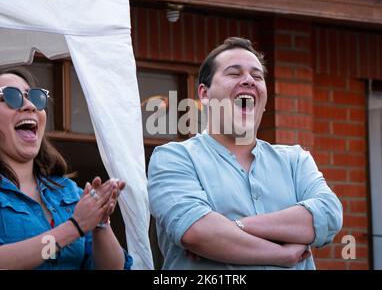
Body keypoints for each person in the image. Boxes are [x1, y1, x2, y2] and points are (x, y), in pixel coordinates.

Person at [148, 37, 343, 269]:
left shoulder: (295, 160)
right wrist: (283, 254)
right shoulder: (173, 158)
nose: (249, 80)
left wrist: (234, 227)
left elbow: (329, 214)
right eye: (234, 73)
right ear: (204, 93)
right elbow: (197, 232)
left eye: (257, 76)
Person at [0, 67, 132, 270]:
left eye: (35, 97)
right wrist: (75, 227)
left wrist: (100, 223)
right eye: (11, 96)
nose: (29, 105)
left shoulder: (68, 191)